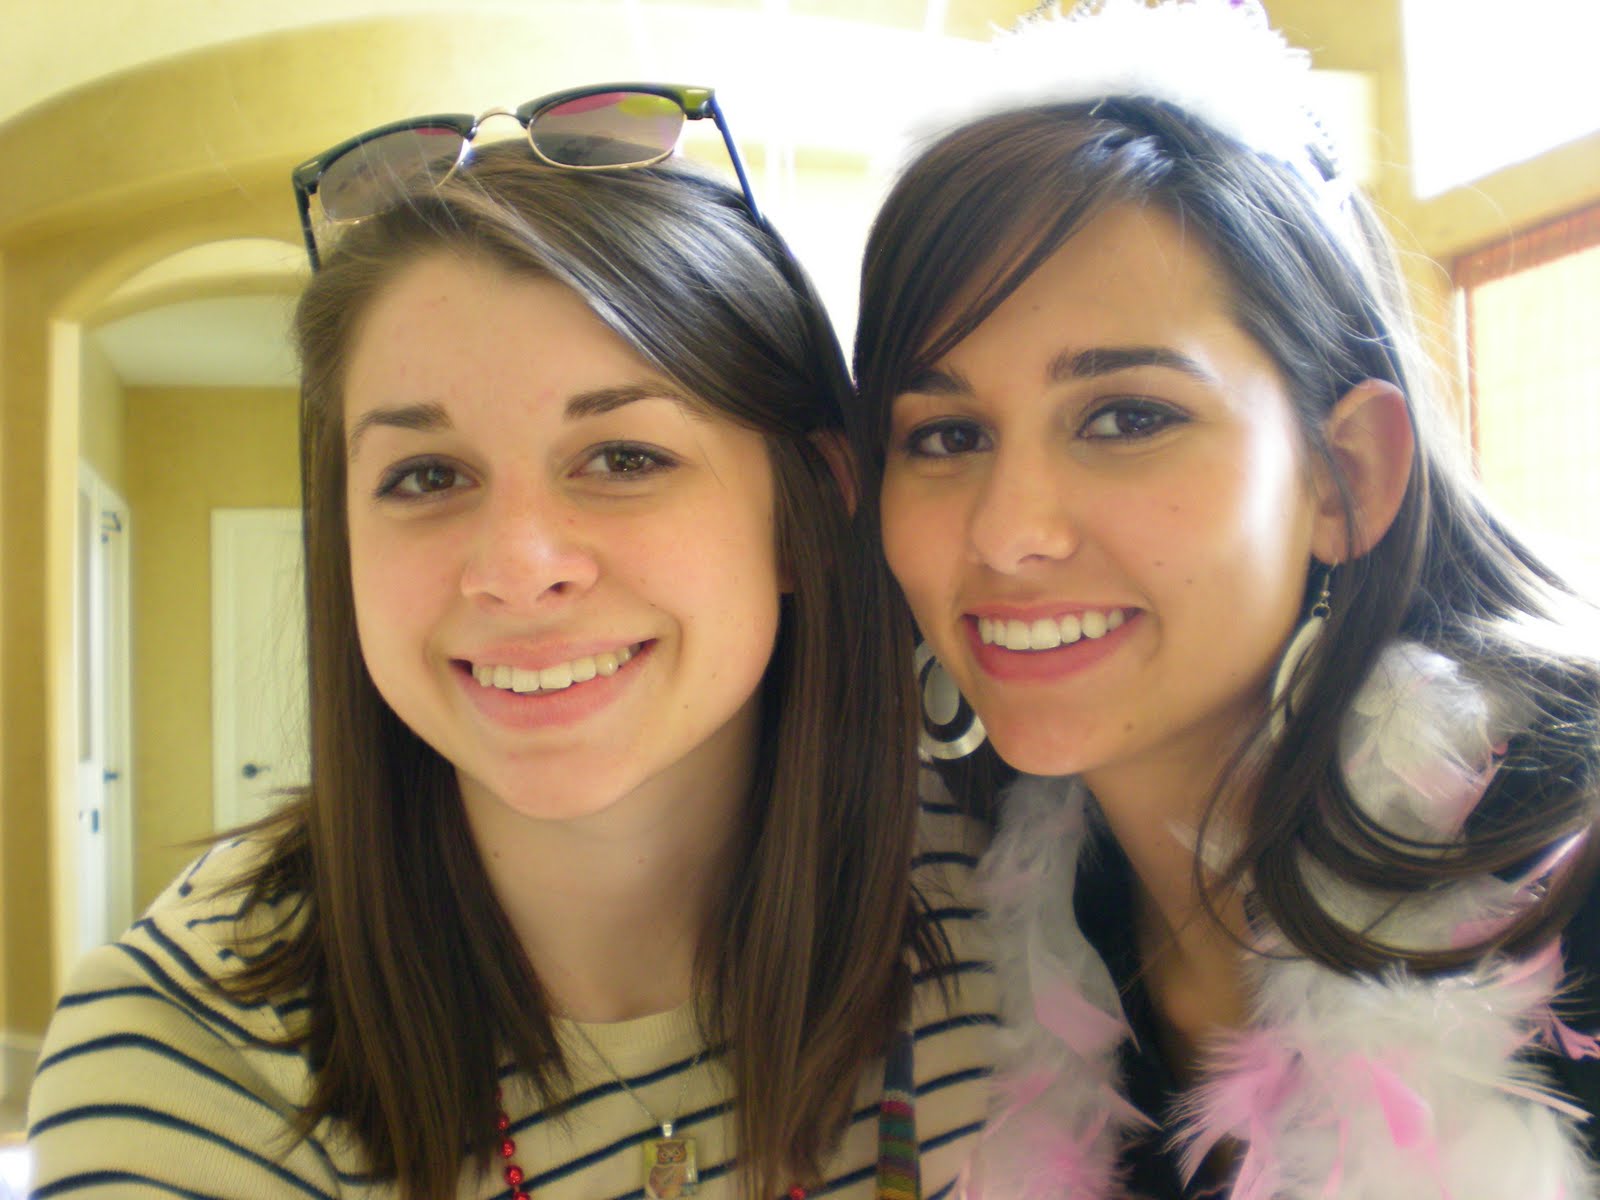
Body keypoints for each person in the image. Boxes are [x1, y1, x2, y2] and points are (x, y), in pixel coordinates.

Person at [28, 87, 993, 1200]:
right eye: (426, 476)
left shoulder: (1020, 899)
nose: (517, 565)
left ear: (811, 502)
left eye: (623, 457)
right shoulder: (185, 1053)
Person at [853, 3, 1600, 1197]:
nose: (1007, 531)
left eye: (1127, 417)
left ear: (1342, 476)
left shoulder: (1570, 867)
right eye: (944, 434)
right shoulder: (988, 924)